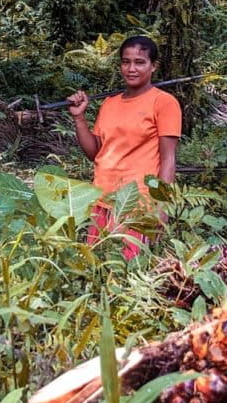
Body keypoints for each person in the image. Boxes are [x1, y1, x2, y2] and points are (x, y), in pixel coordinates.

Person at [66, 36, 182, 259]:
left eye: (140, 62)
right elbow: (95, 152)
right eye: (126, 62)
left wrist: (162, 207)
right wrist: (79, 118)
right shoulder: (110, 104)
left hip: (138, 203)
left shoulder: (164, 102)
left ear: (153, 66)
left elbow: (168, 159)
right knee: (98, 270)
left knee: (128, 272)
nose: (131, 68)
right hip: (102, 200)